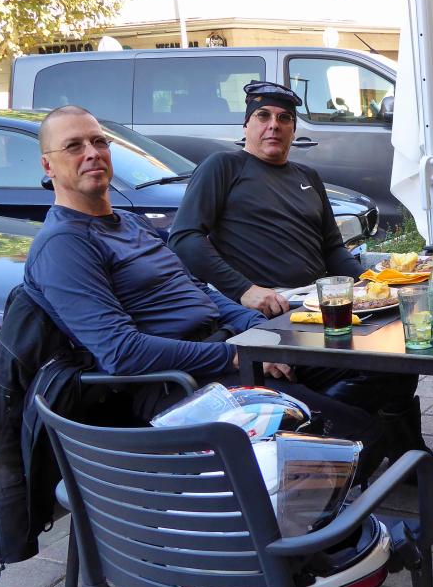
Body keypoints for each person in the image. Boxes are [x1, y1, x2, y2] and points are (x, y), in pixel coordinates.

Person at [23, 105, 381, 450]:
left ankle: (320, 462)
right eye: (74, 146)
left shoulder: (130, 222)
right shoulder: (63, 244)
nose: (92, 153)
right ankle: (324, 462)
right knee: (360, 433)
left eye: (99, 142)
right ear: (47, 165)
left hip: (231, 351)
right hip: (185, 385)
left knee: (377, 369)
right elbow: (121, 352)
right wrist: (234, 355)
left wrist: (261, 335)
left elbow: (199, 290)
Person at [169, 81, 433, 488]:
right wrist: (245, 290)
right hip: (268, 314)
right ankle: (341, 450)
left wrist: (372, 283)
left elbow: (332, 248)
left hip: (322, 305)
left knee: (402, 351)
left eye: (284, 119)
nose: (274, 125)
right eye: (263, 116)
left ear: (294, 129)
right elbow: (185, 238)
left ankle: (393, 454)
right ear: (247, 125)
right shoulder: (223, 167)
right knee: (374, 368)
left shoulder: (307, 176)